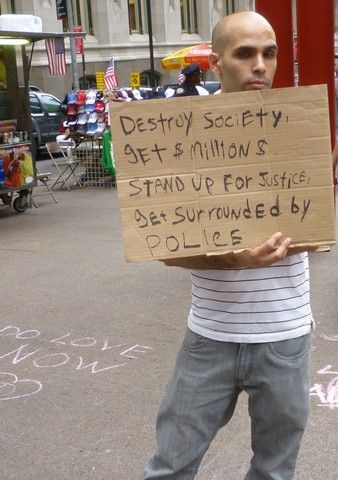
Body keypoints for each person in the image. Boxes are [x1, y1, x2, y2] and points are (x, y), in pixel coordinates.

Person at [144, 11, 316, 479]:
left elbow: (316, 231)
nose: (260, 64)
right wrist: (233, 257)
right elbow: (165, 246)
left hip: (285, 335)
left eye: (269, 52)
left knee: (275, 471)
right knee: (171, 466)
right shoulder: (183, 135)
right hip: (211, 336)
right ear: (217, 64)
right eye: (245, 54)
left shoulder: (299, 128)